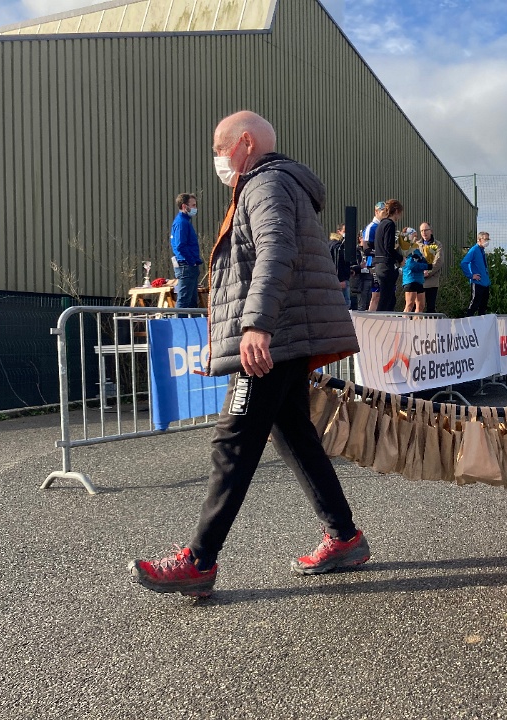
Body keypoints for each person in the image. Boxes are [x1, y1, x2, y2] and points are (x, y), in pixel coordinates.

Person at [129, 110, 369, 597]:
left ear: (243, 142)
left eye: (219, 149)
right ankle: (345, 537)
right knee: (295, 436)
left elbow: (276, 252)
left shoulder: (265, 184)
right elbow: (252, 269)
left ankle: (198, 562)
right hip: (286, 335)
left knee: (233, 443)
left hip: (273, 341)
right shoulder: (279, 184)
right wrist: (226, 341)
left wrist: (256, 327)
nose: (217, 159)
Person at [169, 193, 203, 308]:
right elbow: (180, 246)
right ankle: (180, 320)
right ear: (184, 206)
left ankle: (189, 319)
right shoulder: (182, 223)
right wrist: (192, 261)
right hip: (186, 266)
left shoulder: (182, 222)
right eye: (193, 205)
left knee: (191, 302)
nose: (195, 208)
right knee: (184, 301)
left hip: (187, 265)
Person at [373, 199, 405, 312]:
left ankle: (384, 320)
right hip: (386, 266)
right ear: (396, 211)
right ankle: (381, 321)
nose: (400, 216)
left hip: (379, 264)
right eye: (400, 213)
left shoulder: (381, 224)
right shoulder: (390, 224)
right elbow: (388, 248)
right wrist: (400, 258)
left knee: (389, 299)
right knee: (386, 300)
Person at [362, 201, 385, 311]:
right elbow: (366, 249)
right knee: (376, 295)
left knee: (384, 294)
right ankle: (372, 317)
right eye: (383, 212)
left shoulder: (384, 226)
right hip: (373, 264)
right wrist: (381, 253)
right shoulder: (372, 227)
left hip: (383, 264)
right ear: (376, 211)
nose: (386, 215)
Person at [461, 231, 491, 316]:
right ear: (479, 239)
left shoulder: (482, 251)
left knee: (483, 306)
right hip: (477, 283)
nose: (487, 241)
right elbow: (464, 263)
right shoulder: (474, 250)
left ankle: (481, 323)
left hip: (485, 283)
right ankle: (467, 320)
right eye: (485, 239)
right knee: (474, 305)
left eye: (488, 239)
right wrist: (471, 275)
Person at [402, 232, 431, 313]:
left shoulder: (417, 250)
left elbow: (423, 261)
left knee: (421, 305)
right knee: (409, 305)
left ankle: (417, 321)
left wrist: (429, 258)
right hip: (410, 280)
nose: (416, 238)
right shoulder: (406, 249)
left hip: (419, 280)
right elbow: (411, 265)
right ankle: (404, 320)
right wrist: (426, 266)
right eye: (414, 236)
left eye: (416, 236)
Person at [419, 222, 443, 313]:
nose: (424, 233)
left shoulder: (437, 244)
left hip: (432, 282)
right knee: (417, 307)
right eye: (422, 231)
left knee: (430, 308)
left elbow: (438, 261)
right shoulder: (417, 245)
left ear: (431, 231)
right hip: (419, 281)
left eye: (426, 230)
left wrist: (428, 272)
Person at [329, 223, 352, 309]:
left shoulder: (334, 245)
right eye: (345, 231)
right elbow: (337, 262)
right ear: (339, 232)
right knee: (344, 304)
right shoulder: (337, 246)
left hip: (337, 278)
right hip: (340, 280)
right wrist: (339, 279)